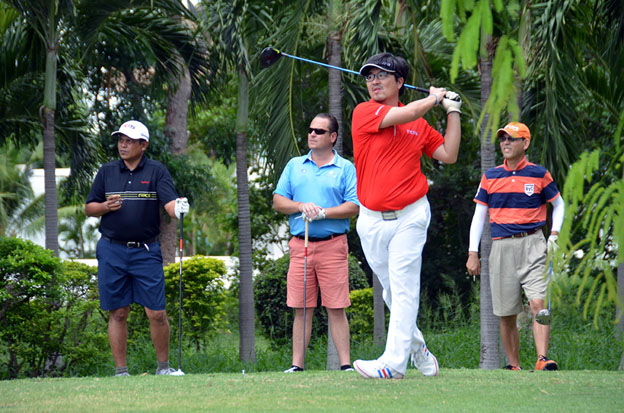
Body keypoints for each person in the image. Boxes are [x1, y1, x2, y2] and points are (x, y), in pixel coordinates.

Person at [350, 52, 462, 379]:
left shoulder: (419, 125)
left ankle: (393, 364)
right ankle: (418, 347)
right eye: (369, 76)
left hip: (411, 216)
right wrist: (432, 98)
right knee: (391, 292)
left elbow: (449, 155)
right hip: (371, 219)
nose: (373, 81)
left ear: (400, 82)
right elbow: (408, 111)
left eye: (382, 75)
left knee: (403, 288)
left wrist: (452, 111)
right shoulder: (364, 112)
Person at [85, 120, 189, 377]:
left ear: (143, 145)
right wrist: (104, 207)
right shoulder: (107, 171)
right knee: (118, 312)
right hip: (112, 249)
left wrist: (178, 208)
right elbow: (89, 207)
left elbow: (169, 206)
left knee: (156, 312)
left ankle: (163, 369)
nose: (123, 144)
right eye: (120, 139)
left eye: (129, 141)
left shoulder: (156, 171)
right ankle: (121, 372)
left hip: (145, 251)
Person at [466, 122, 564, 371]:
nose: (506, 143)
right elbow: (479, 216)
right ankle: (514, 366)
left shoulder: (539, 174)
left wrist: (554, 234)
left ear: (525, 143)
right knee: (507, 313)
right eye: (502, 139)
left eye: (512, 138)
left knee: (538, 304)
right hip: (500, 248)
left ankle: (542, 359)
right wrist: (472, 252)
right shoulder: (490, 176)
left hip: (533, 243)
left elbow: (559, 205)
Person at [273, 113, 360, 373]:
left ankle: (345, 365)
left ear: (332, 137)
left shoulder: (345, 168)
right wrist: (301, 205)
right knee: (302, 307)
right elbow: (278, 201)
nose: (312, 134)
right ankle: (297, 365)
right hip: (301, 245)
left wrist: (324, 212)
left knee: (336, 306)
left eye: (319, 131)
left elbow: (353, 206)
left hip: (333, 244)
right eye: (310, 129)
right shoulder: (294, 165)